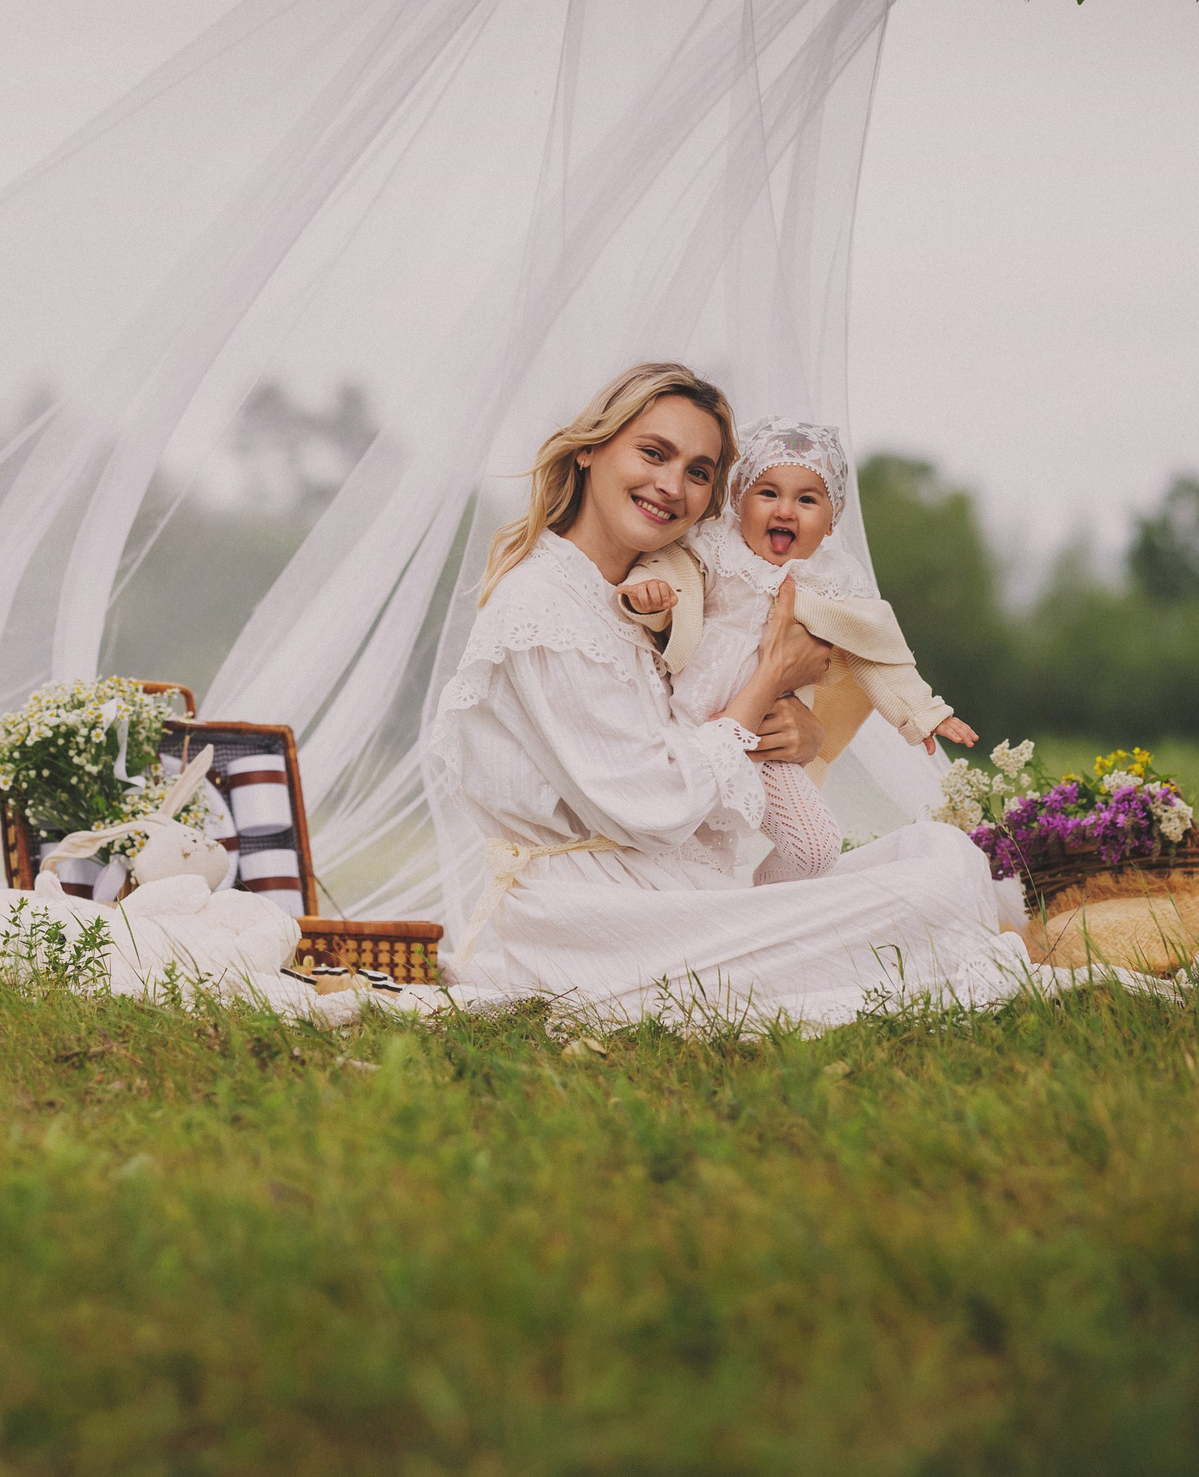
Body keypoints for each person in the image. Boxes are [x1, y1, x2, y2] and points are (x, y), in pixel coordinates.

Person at [424, 362, 1050, 1026]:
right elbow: (651, 804)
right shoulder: (542, 610)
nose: (672, 485)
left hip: (671, 891)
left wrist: (798, 730)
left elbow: (699, 730)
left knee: (943, 856)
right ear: (588, 451)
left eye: (699, 471)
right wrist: (768, 682)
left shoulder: (655, 595)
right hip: (590, 923)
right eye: (653, 452)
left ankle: (784, 922)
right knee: (932, 893)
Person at [613, 416, 979, 884]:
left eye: (807, 500)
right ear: (738, 501)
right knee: (676, 842)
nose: (785, 511)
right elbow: (670, 572)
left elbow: (876, 650)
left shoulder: (831, 581)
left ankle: (767, 903)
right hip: (679, 723)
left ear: (831, 521)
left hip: (764, 739)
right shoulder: (716, 549)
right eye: (768, 493)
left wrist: (924, 712)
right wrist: (648, 594)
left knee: (815, 849)